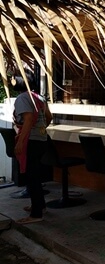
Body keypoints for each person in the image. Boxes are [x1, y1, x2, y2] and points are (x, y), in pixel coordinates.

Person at [12, 69, 53, 224]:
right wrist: (41, 129)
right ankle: (40, 206)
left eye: (13, 79)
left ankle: (36, 214)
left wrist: (21, 142)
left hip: (31, 141)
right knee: (35, 175)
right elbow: (49, 117)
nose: (12, 81)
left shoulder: (22, 98)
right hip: (41, 140)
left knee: (31, 177)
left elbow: (28, 119)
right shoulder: (39, 97)